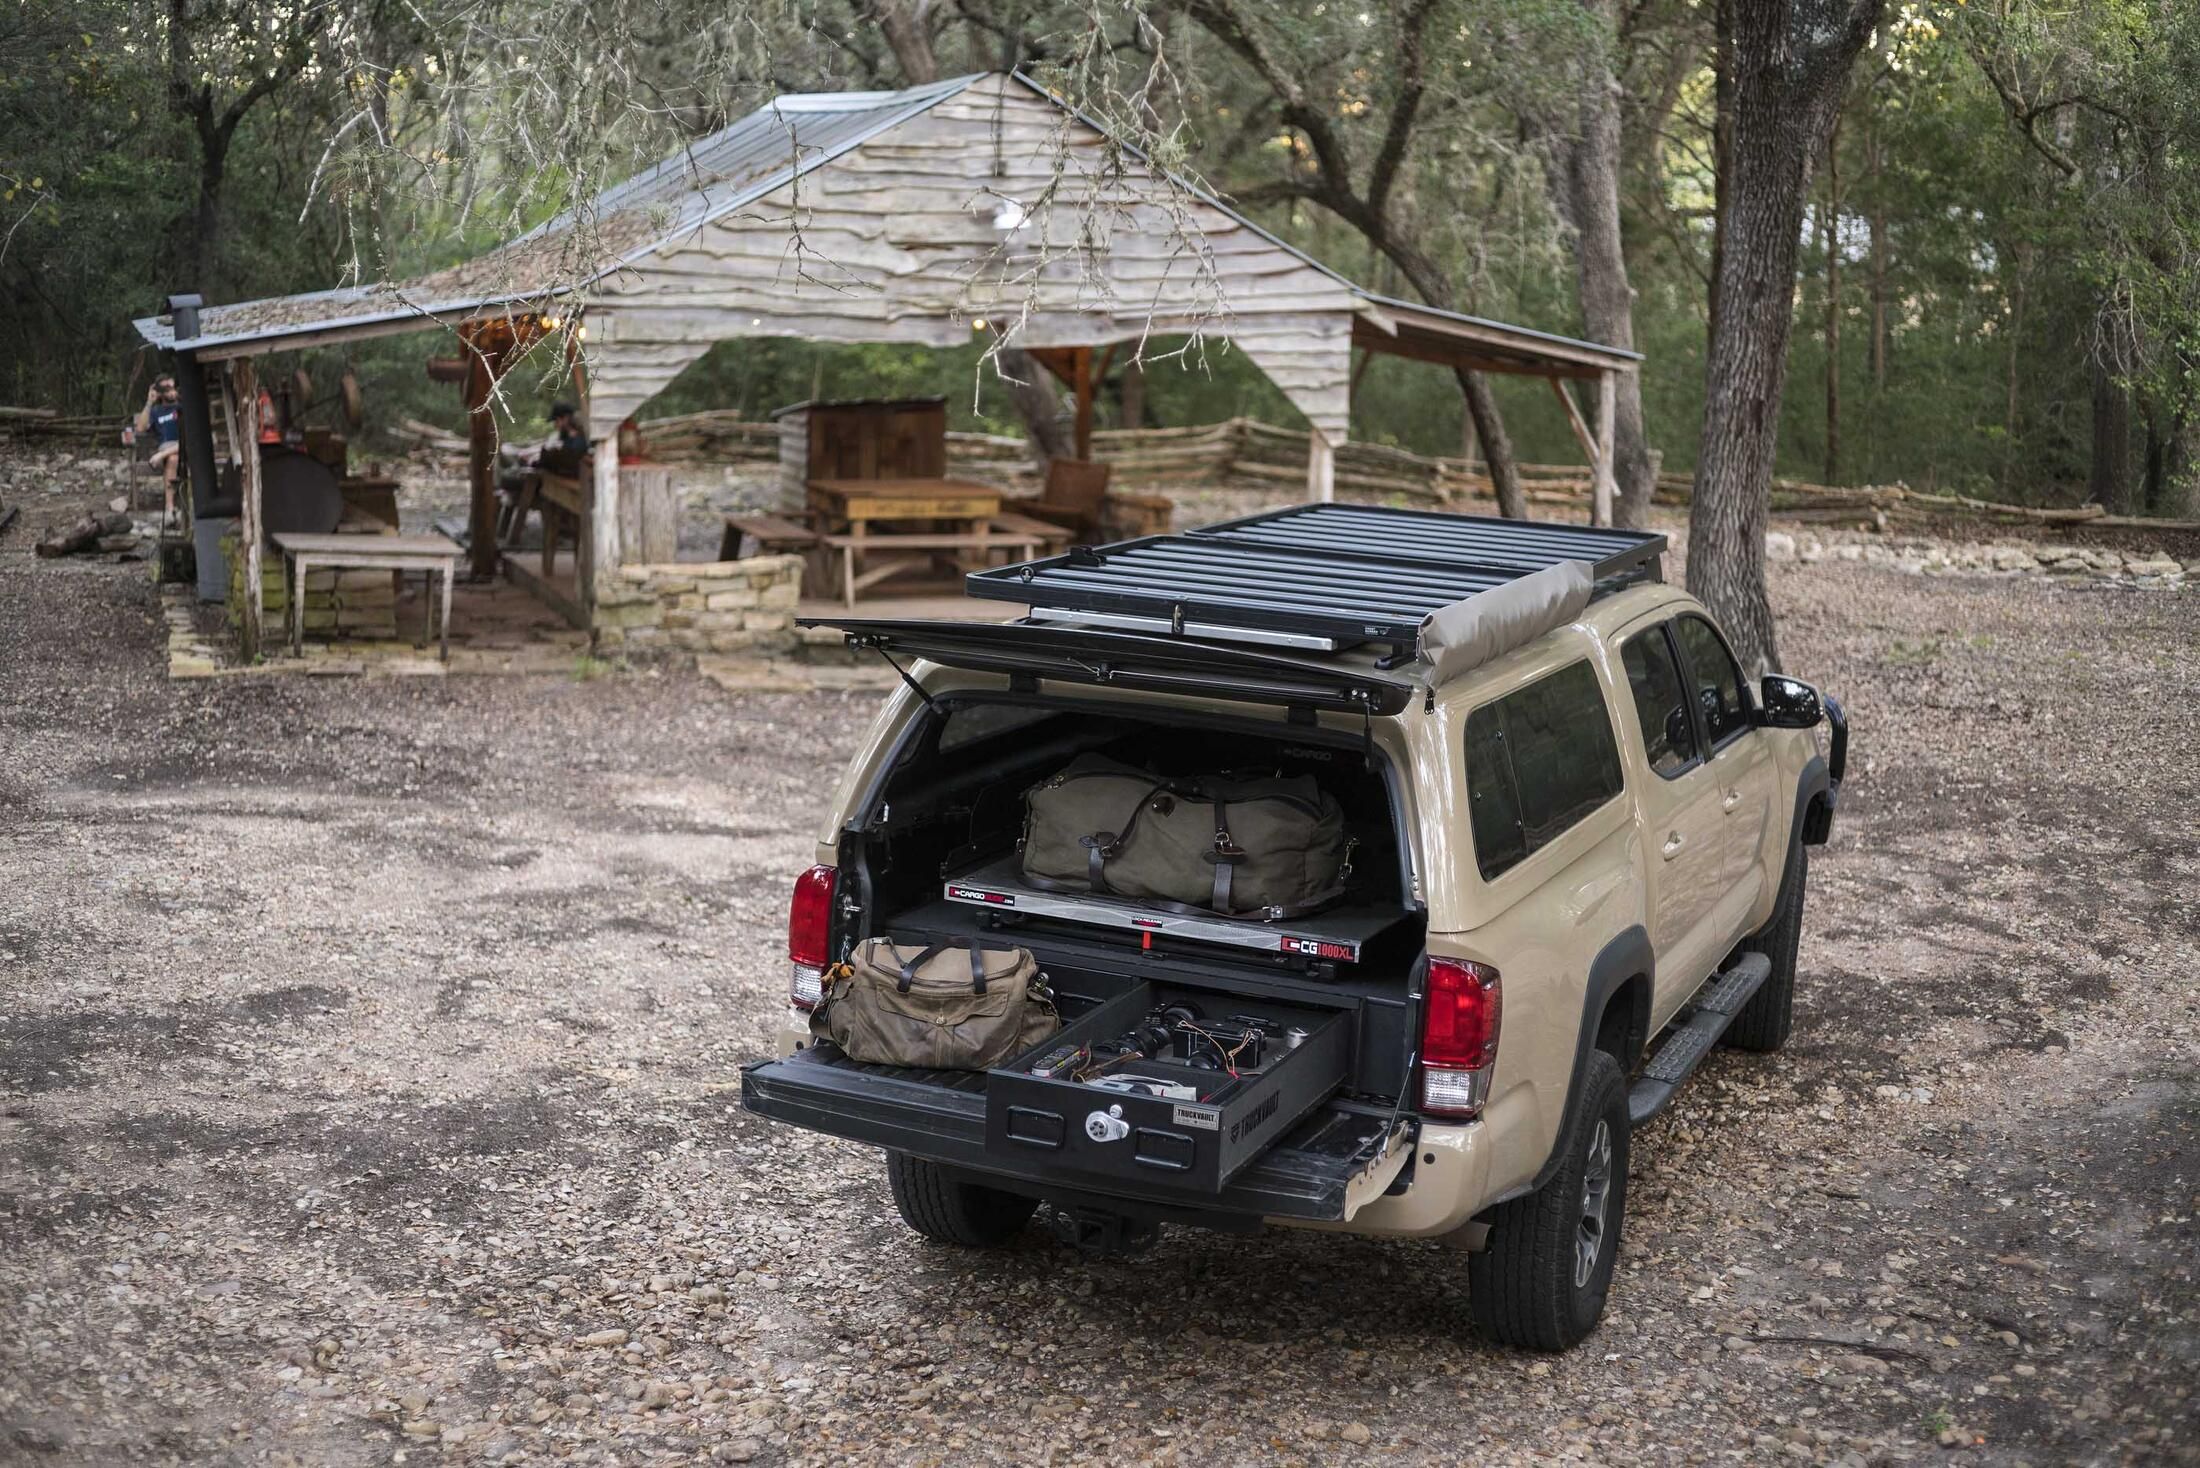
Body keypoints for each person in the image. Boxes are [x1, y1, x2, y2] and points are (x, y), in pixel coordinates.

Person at [126, 375, 184, 522]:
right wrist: (149, 402)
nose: (170, 390)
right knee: (173, 458)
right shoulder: (157, 410)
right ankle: (170, 509)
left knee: (175, 454)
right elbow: (140, 428)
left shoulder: (181, 406)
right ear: (159, 392)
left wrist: (179, 395)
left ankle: (171, 507)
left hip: (185, 445)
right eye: (166, 388)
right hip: (169, 448)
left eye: (172, 386)